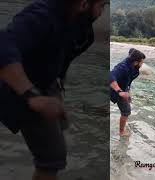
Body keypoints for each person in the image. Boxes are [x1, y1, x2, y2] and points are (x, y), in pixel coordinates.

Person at [0, 0, 105, 179]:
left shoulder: (82, 28)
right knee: (52, 159)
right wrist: (32, 95)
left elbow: (61, 57)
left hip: (44, 85)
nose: (102, 12)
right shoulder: (41, 16)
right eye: (102, 5)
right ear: (84, 4)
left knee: (59, 133)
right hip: (17, 85)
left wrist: (56, 88)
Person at [109, 48, 146, 136]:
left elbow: (131, 50)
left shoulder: (131, 62)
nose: (142, 64)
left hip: (124, 87)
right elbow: (110, 76)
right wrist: (119, 92)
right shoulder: (122, 67)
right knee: (126, 111)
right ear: (136, 62)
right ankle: (121, 132)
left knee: (128, 102)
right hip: (116, 89)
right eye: (142, 62)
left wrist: (127, 91)